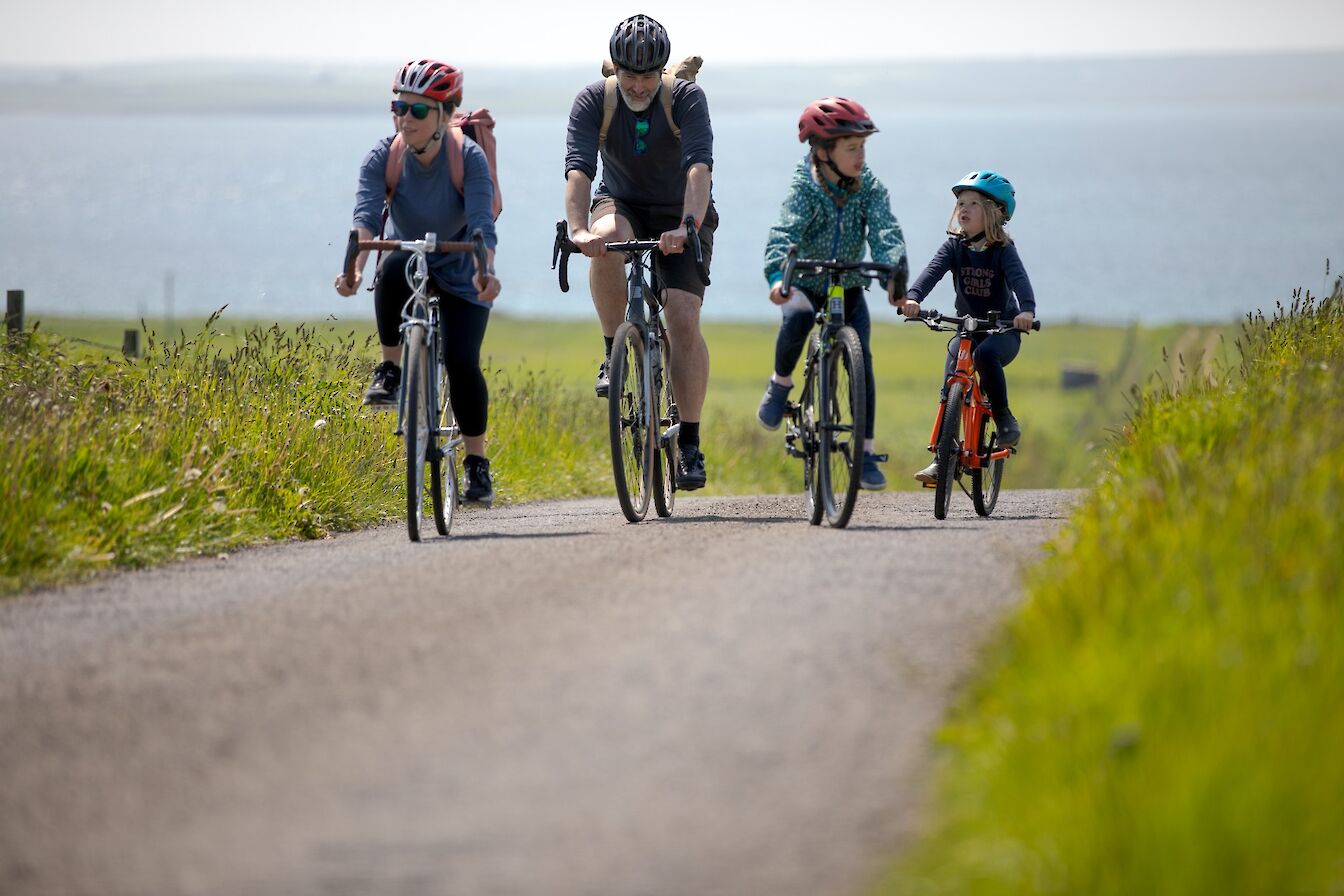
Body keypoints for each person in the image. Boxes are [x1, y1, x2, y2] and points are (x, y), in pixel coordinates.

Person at [335, 59, 502, 504]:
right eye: (398, 107)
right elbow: (366, 218)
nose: (405, 119)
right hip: (409, 257)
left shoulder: (467, 156)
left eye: (418, 110)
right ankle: (391, 368)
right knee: (389, 265)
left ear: (445, 115)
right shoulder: (382, 156)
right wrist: (353, 267)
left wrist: (486, 272)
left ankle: (476, 464)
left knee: (463, 362)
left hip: (463, 265)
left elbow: (484, 221)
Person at [563, 13, 717, 490]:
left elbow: (698, 169)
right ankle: (614, 351)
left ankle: (689, 444)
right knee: (605, 243)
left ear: (663, 71)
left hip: (681, 211)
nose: (637, 85)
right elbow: (579, 171)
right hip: (622, 202)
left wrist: (687, 225)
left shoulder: (686, 98)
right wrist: (577, 229)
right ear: (616, 70)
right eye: (629, 75)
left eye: (648, 76)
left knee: (684, 317)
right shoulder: (594, 99)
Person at [759, 97, 908, 491]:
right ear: (824, 152)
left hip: (849, 282)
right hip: (806, 278)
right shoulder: (804, 186)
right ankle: (780, 382)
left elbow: (884, 230)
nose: (861, 157)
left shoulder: (869, 187)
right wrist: (778, 276)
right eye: (851, 149)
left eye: (863, 148)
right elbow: (784, 232)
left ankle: (866, 453)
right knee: (799, 318)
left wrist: (895, 272)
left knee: (862, 359)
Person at [895, 170, 1036, 484]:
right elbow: (930, 274)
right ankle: (942, 458)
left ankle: (1003, 418)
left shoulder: (1003, 251)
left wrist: (1026, 311)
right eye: (960, 202)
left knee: (985, 357)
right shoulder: (953, 248)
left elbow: (1021, 283)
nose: (964, 208)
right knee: (951, 382)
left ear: (994, 213)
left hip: (1002, 332)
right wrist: (913, 298)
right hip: (968, 329)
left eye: (973, 203)